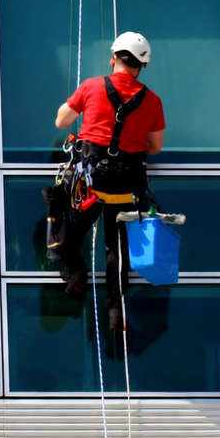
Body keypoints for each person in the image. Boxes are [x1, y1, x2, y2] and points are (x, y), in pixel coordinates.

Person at [51, 32, 166, 332]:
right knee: (116, 247)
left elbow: (61, 122)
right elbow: (154, 147)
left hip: (89, 185)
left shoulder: (91, 86)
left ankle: (75, 270)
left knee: (66, 225)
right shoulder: (152, 101)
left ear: (113, 58)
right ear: (141, 66)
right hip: (126, 188)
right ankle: (115, 309)